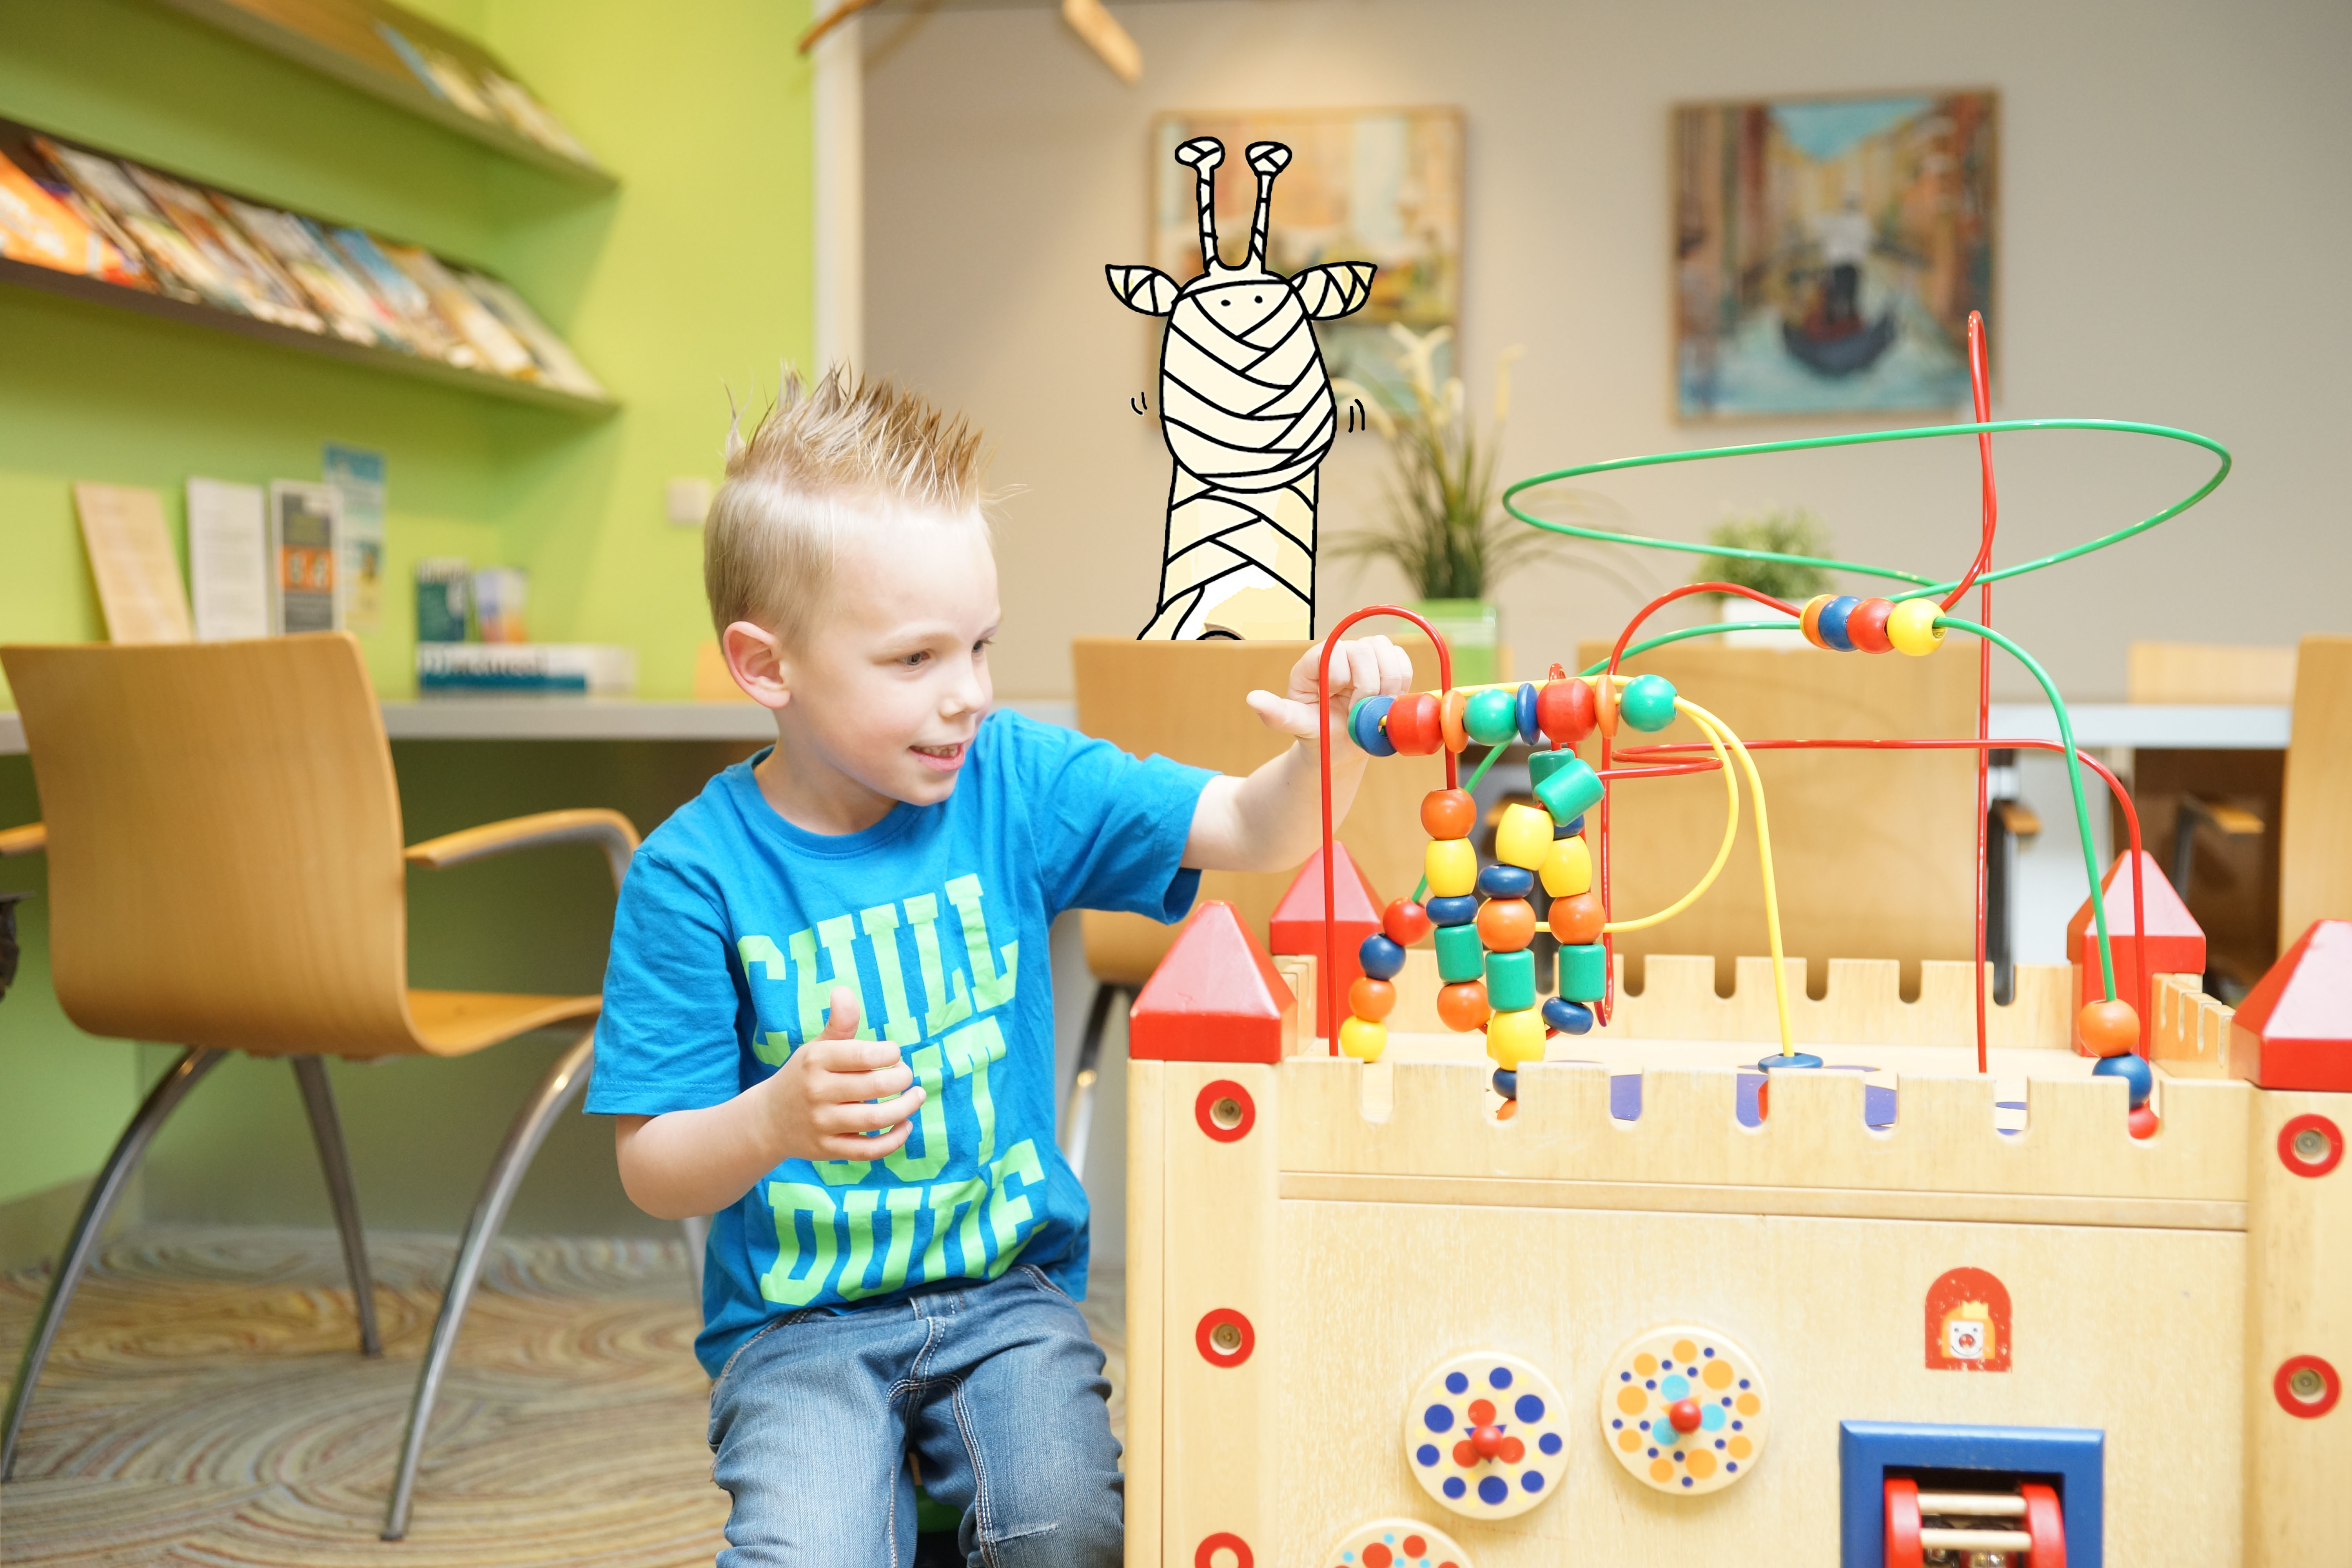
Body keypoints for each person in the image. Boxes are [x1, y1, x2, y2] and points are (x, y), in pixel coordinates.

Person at [590, 366, 1411, 1568]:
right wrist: (775, 1120)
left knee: (1065, 1530)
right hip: (799, 1327)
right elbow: (654, 1170)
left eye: (980, 645)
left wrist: (1334, 749)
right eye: (914, 660)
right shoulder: (691, 875)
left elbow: (1249, 826)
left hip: (1007, 1300)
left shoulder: (1015, 778)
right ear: (767, 667)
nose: (968, 694)